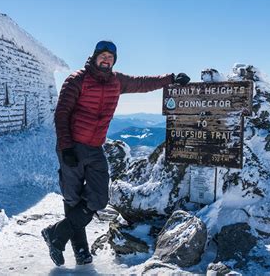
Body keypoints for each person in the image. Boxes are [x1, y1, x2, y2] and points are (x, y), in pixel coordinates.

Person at [41, 40, 190, 266]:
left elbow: (143, 83)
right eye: (103, 55)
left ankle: (56, 234)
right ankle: (82, 253)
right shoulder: (77, 79)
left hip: (95, 148)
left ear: (114, 61)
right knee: (72, 200)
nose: (106, 59)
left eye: (111, 57)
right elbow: (61, 114)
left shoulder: (117, 81)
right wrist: (66, 147)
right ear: (94, 57)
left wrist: (170, 79)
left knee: (99, 199)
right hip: (72, 147)